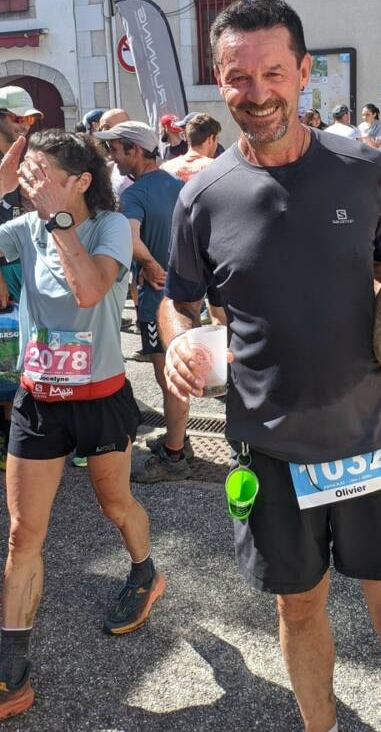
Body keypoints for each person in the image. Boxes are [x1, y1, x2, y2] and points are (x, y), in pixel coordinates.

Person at [158, 0, 381, 732]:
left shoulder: (364, 170)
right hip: (270, 449)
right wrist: (179, 339)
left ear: (304, 72)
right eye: (238, 78)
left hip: (370, 436)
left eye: (274, 72)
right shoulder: (202, 198)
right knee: (298, 612)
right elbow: (175, 301)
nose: (258, 92)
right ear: (219, 79)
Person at [0, 130, 164, 720]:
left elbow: (91, 290)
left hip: (99, 399)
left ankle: (145, 572)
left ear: (81, 182)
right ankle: (11, 670)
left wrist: (60, 222)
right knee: (23, 535)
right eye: (28, 177)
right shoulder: (23, 229)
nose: (32, 187)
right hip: (38, 401)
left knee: (114, 504)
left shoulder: (109, 228)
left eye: (42, 176)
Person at [93, 121, 192, 482]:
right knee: (178, 372)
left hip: (157, 298)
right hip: (185, 293)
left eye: (115, 149)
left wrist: (149, 263)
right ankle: (178, 436)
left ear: (135, 150)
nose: (111, 156)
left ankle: (175, 456)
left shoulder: (133, 194)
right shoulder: (177, 183)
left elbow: (131, 239)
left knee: (169, 378)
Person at [0, 88, 43, 470]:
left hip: (18, 286)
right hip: (3, 283)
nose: (24, 126)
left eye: (29, 120)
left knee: (12, 363)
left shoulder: (19, 159)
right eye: (18, 118)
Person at [161, 113, 221, 183]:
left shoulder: (165, 168)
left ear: (186, 137)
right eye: (217, 138)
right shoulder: (217, 169)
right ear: (210, 139)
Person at [97, 108, 133, 198]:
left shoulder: (152, 164)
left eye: (106, 127)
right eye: (101, 129)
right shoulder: (110, 167)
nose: (102, 133)